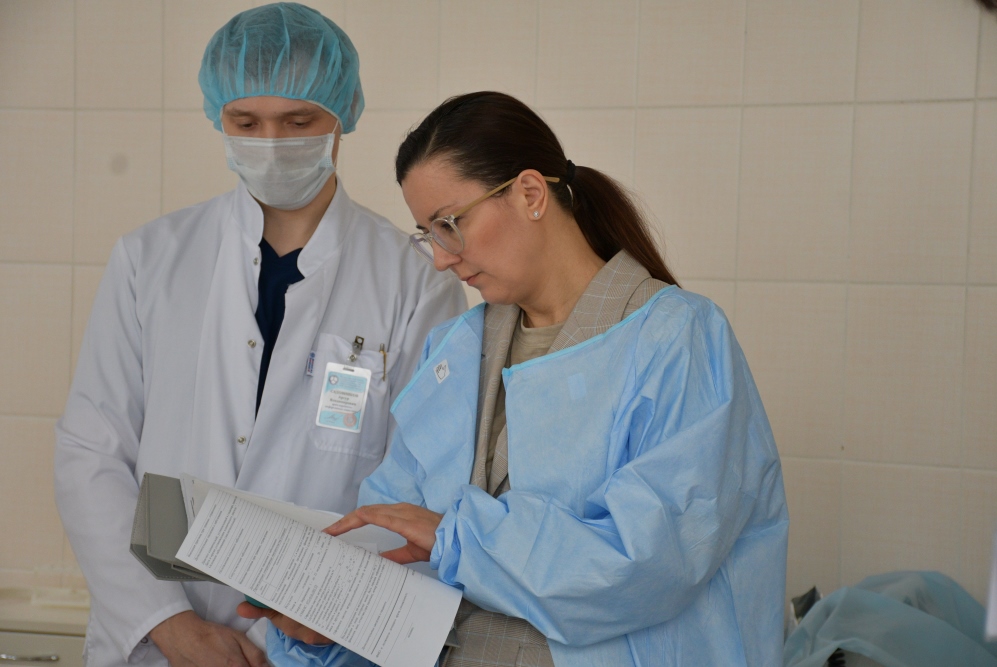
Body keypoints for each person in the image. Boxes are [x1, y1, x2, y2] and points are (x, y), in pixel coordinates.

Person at [255, 91, 790, 667]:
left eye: (450, 224)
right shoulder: (456, 351)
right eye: (427, 233)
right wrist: (330, 618)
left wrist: (459, 540)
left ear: (531, 194)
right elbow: (392, 533)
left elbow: (650, 563)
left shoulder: (677, 339)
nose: (441, 258)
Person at [54, 4, 466, 666]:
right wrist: (169, 624)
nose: (272, 142)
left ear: (342, 113)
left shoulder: (416, 281)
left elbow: (421, 489)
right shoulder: (150, 259)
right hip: (155, 640)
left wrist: (280, 637)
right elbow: (91, 453)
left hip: (313, 642)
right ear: (218, 116)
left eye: (298, 122)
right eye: (246, 123)